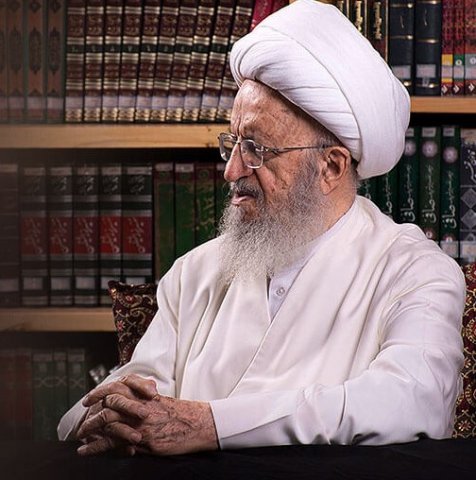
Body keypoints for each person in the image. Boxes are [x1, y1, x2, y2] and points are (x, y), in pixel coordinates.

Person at [58, 0, 465, 456]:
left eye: (255, 149)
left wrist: (211, 425)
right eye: (232, 143)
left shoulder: (415, 272)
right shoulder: (195, 273)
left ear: (331, 167)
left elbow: (411, 401)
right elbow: (131, 396)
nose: (231, 171)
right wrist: (109, 414)